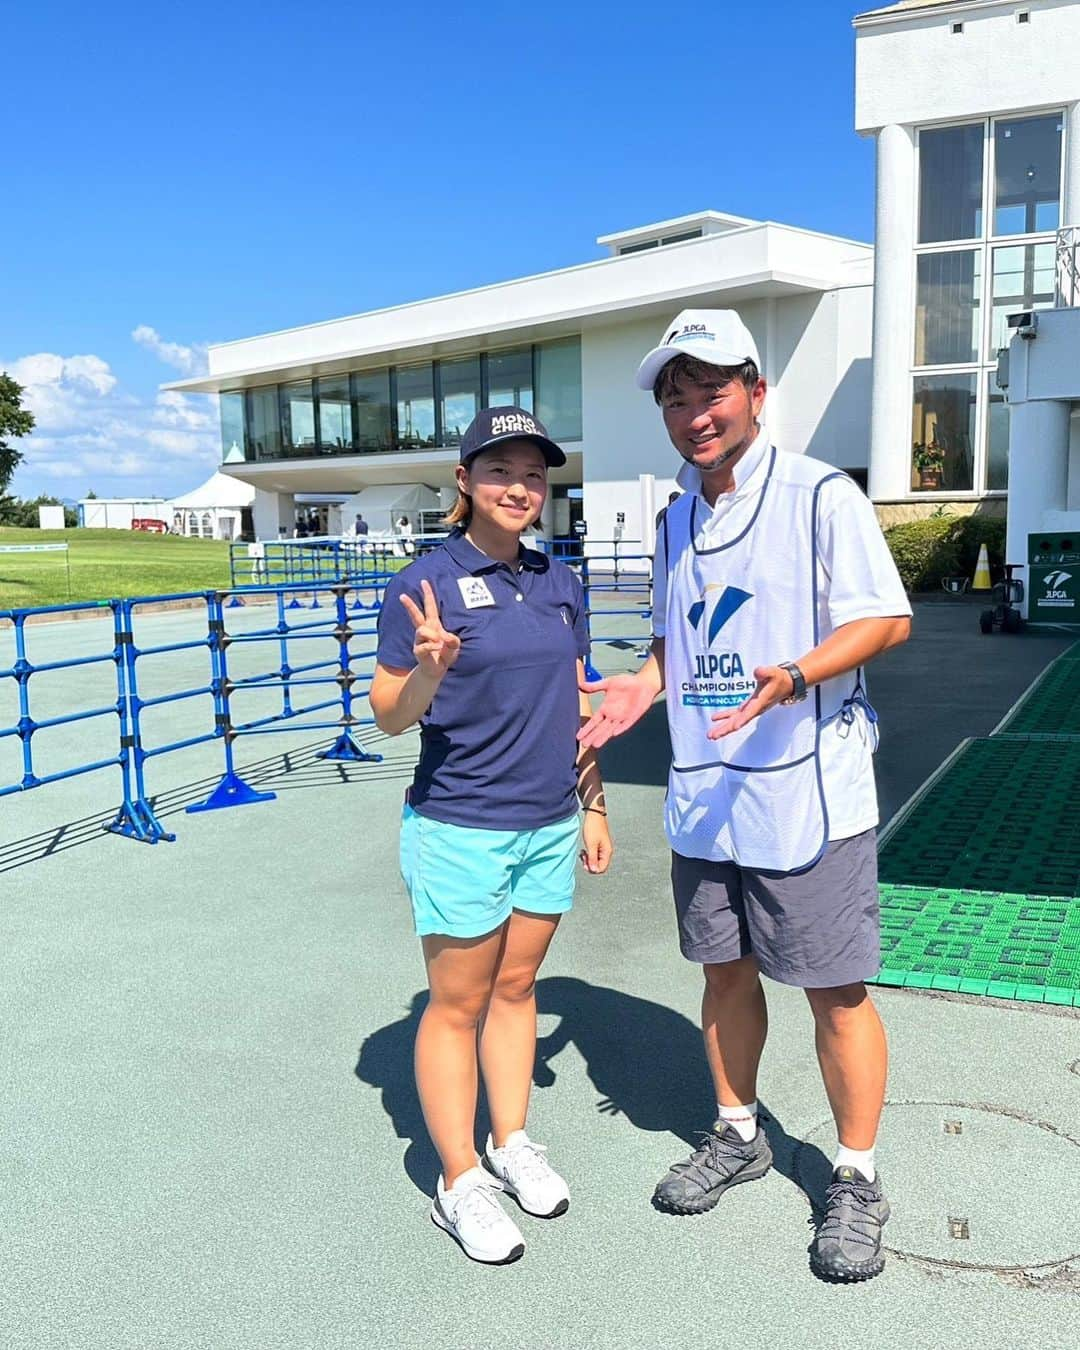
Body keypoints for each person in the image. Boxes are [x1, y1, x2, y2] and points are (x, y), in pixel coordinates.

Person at [578, 309, 911, 1283]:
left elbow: (886, 618)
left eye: (710, 391)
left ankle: (854, 1176)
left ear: (755, 393)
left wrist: (796, 675)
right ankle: (738, 1132)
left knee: (835, 991)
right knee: (723, 973)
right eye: (675, 400)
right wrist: (647, 681)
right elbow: (672, 635)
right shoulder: (676, 513)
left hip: (808, 795)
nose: (693, 414)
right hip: (706, 796)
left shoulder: (818, 496)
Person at [372, 405, 614, 1265]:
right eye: (501, 470)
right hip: (461, 825)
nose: (520, 487)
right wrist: (430, 670)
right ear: (465, 483)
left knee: (517, 990)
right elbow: (390, 718)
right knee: (458, 1004)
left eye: (535, 474)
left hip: (548, 821)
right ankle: (459, 1179)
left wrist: (594, 804)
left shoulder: (559, 581)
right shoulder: (424, 582)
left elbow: (581, 703)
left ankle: (511, 1141)